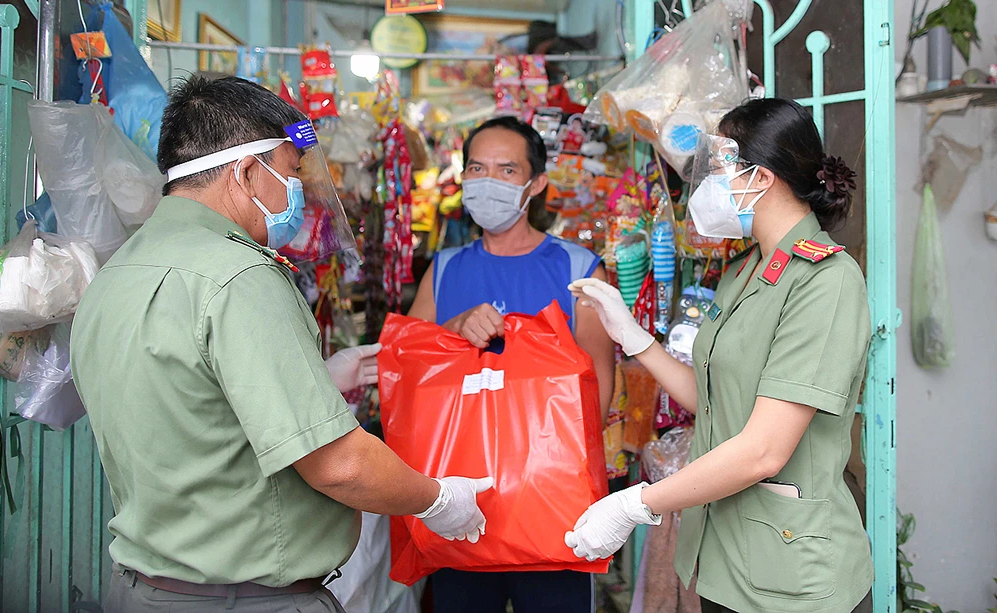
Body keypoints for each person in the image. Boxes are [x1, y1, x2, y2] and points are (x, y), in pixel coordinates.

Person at [71, 76, 491, 613]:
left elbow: (187, 406)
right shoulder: (240, 276)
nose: (297, 194)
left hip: (143, 589)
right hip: (243, 599)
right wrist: (438, 500)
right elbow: (340, 465)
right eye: (291, 174)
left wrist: (315, 377)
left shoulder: (118, 271)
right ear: (246, 173)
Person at [564, 98, 874, 613]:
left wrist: (634, 504)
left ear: (762, 176)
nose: (705, 185)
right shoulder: (744, 270)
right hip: (724, 558)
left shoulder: (826, 282)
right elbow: (708, 398)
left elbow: (763, 450)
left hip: (791, 572)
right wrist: (634, 336)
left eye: (718, 168)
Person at [406, 115, 616, 613]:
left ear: (535, 183)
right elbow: (407, 365)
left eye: (506, 169)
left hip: (549, 505)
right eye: (476, 167)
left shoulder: (578, 267)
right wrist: (452, 329)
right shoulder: (445, 268)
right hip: (462, 504)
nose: (487, 181)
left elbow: (598, 386)